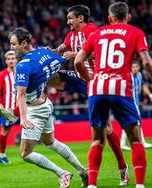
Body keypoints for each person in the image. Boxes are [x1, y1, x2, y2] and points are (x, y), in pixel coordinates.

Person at [49, 5, 129, 186]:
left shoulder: (93, 31)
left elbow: (97, 51)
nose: (68, 21)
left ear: (80, 19)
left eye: (70, 18)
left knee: (107, 130)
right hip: (78, 78)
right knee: (47, 77)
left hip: (95, 80)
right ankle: (36, 108)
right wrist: (45, 52)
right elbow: (59, 50)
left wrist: (74, 55)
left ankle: (123, 167)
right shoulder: (70, 36)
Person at [74, 2, 152, 187]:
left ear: (109, 18)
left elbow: (78, 61)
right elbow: (147, 63)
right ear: (128, 17)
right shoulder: (136, 32)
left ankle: (92, 185)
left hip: (97, 87)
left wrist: (90, 80)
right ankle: (140, 185)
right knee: (135, 140)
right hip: (120, 87)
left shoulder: (96, 33)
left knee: (97, 140)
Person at [9, 27, 88, 188]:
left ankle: (62, 173)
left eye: (14, 44)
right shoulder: (43, 53)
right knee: (50, 142)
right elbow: (59, 60)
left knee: (26, 154)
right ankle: (82, 170)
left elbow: (21, 95)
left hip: (35, 111)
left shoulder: (23, 65)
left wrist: (22, 118)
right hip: (45, 104)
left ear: (24, 43)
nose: (12, 48)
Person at [121, 61, 152, 150]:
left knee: (130, 121)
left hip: (136, 102)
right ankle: (142, 142)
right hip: (129, 102)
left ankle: (122, 144)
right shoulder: (127, 76)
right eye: (133, 66)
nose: (135, 68)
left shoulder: (139, 75)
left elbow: (143, 86)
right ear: (130, 68)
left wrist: (149, 95)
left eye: (136, 66)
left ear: (139, 67)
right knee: (137, 120)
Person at [0, 50, 18, 164]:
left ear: (16, 59)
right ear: (5, 61)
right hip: (8, 109)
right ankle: (2, 155)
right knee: (5, 131)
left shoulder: (21, 72)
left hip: (22, 108)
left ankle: (28, 152)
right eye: (8, 59)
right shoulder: (2, 74)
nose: (11, 61)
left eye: (13, 58)